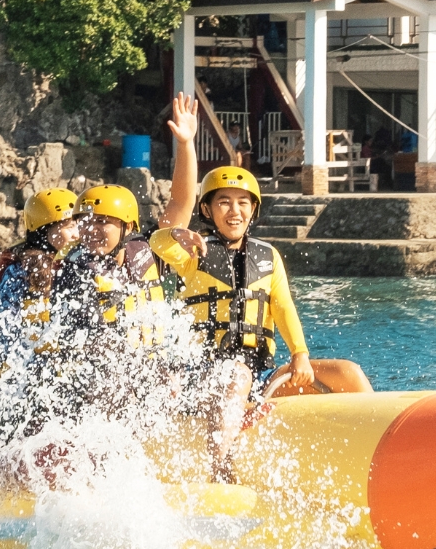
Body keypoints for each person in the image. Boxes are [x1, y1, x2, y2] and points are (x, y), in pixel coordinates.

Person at [152, 138, 365, 481]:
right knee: (235, 375)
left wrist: (300, 354)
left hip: (263, 374)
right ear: (207, 210)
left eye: (242, 203)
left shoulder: (268, 257)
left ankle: (376, 452)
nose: (233, 211)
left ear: (253, 209)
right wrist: (177, 233)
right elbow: (156, 244)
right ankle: (220, 472)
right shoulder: (193, 253)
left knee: (347, 372)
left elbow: (283, 307)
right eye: (223, 202)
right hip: (206, 375)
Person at [0, 187, 82, 363]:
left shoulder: (80, 264)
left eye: (78, 226)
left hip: (70, 359)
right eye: (70, 227)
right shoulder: (19, 271)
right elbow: (5, 322)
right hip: (32, 362)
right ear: (43, 231)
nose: (77, 235)